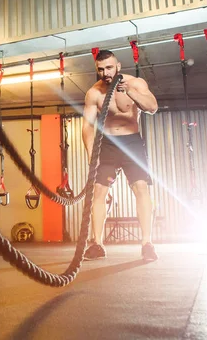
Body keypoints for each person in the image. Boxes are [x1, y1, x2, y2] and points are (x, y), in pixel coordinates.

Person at [82, 49, 159, 261]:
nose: (105, 73)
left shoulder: (136, 83)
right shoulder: (94, 93)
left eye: (109, 67)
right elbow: (87, 128)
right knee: (99, 192)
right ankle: (97, 244)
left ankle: (147, 243)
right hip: (108, 144)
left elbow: (152, 107)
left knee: (141, 188)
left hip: (132, 142)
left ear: (118, 66)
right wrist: (91, 158)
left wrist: (130, 92)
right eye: (100, 69)